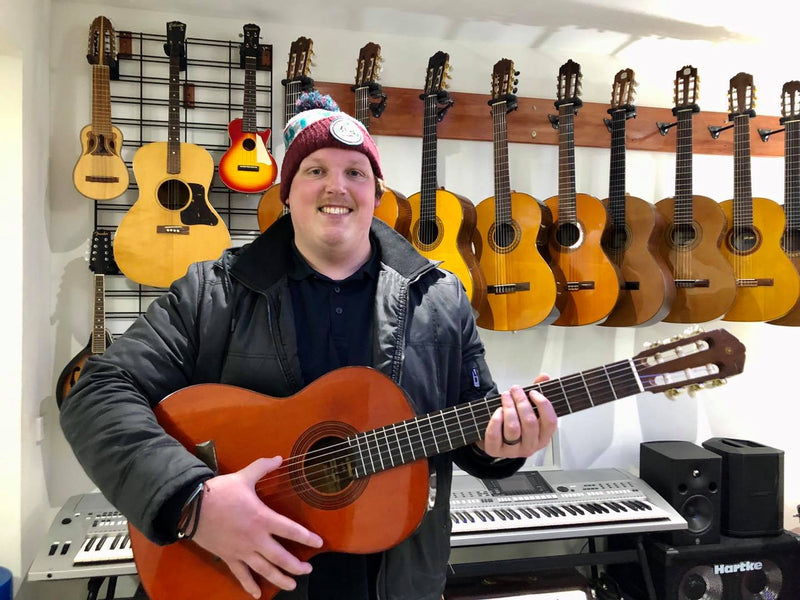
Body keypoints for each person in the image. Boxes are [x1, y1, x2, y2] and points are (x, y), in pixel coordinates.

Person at [59, 93, 558, 600]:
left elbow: (472, 421)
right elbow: (98, 392)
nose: (336, 186)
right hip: (233, 575)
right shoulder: (213, 292)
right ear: (288, 193)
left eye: (355, 173)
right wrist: (193, 501)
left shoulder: (441, 297)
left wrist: (501, 445)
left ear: (378, 194)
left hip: (393, 581)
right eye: (315, 170)